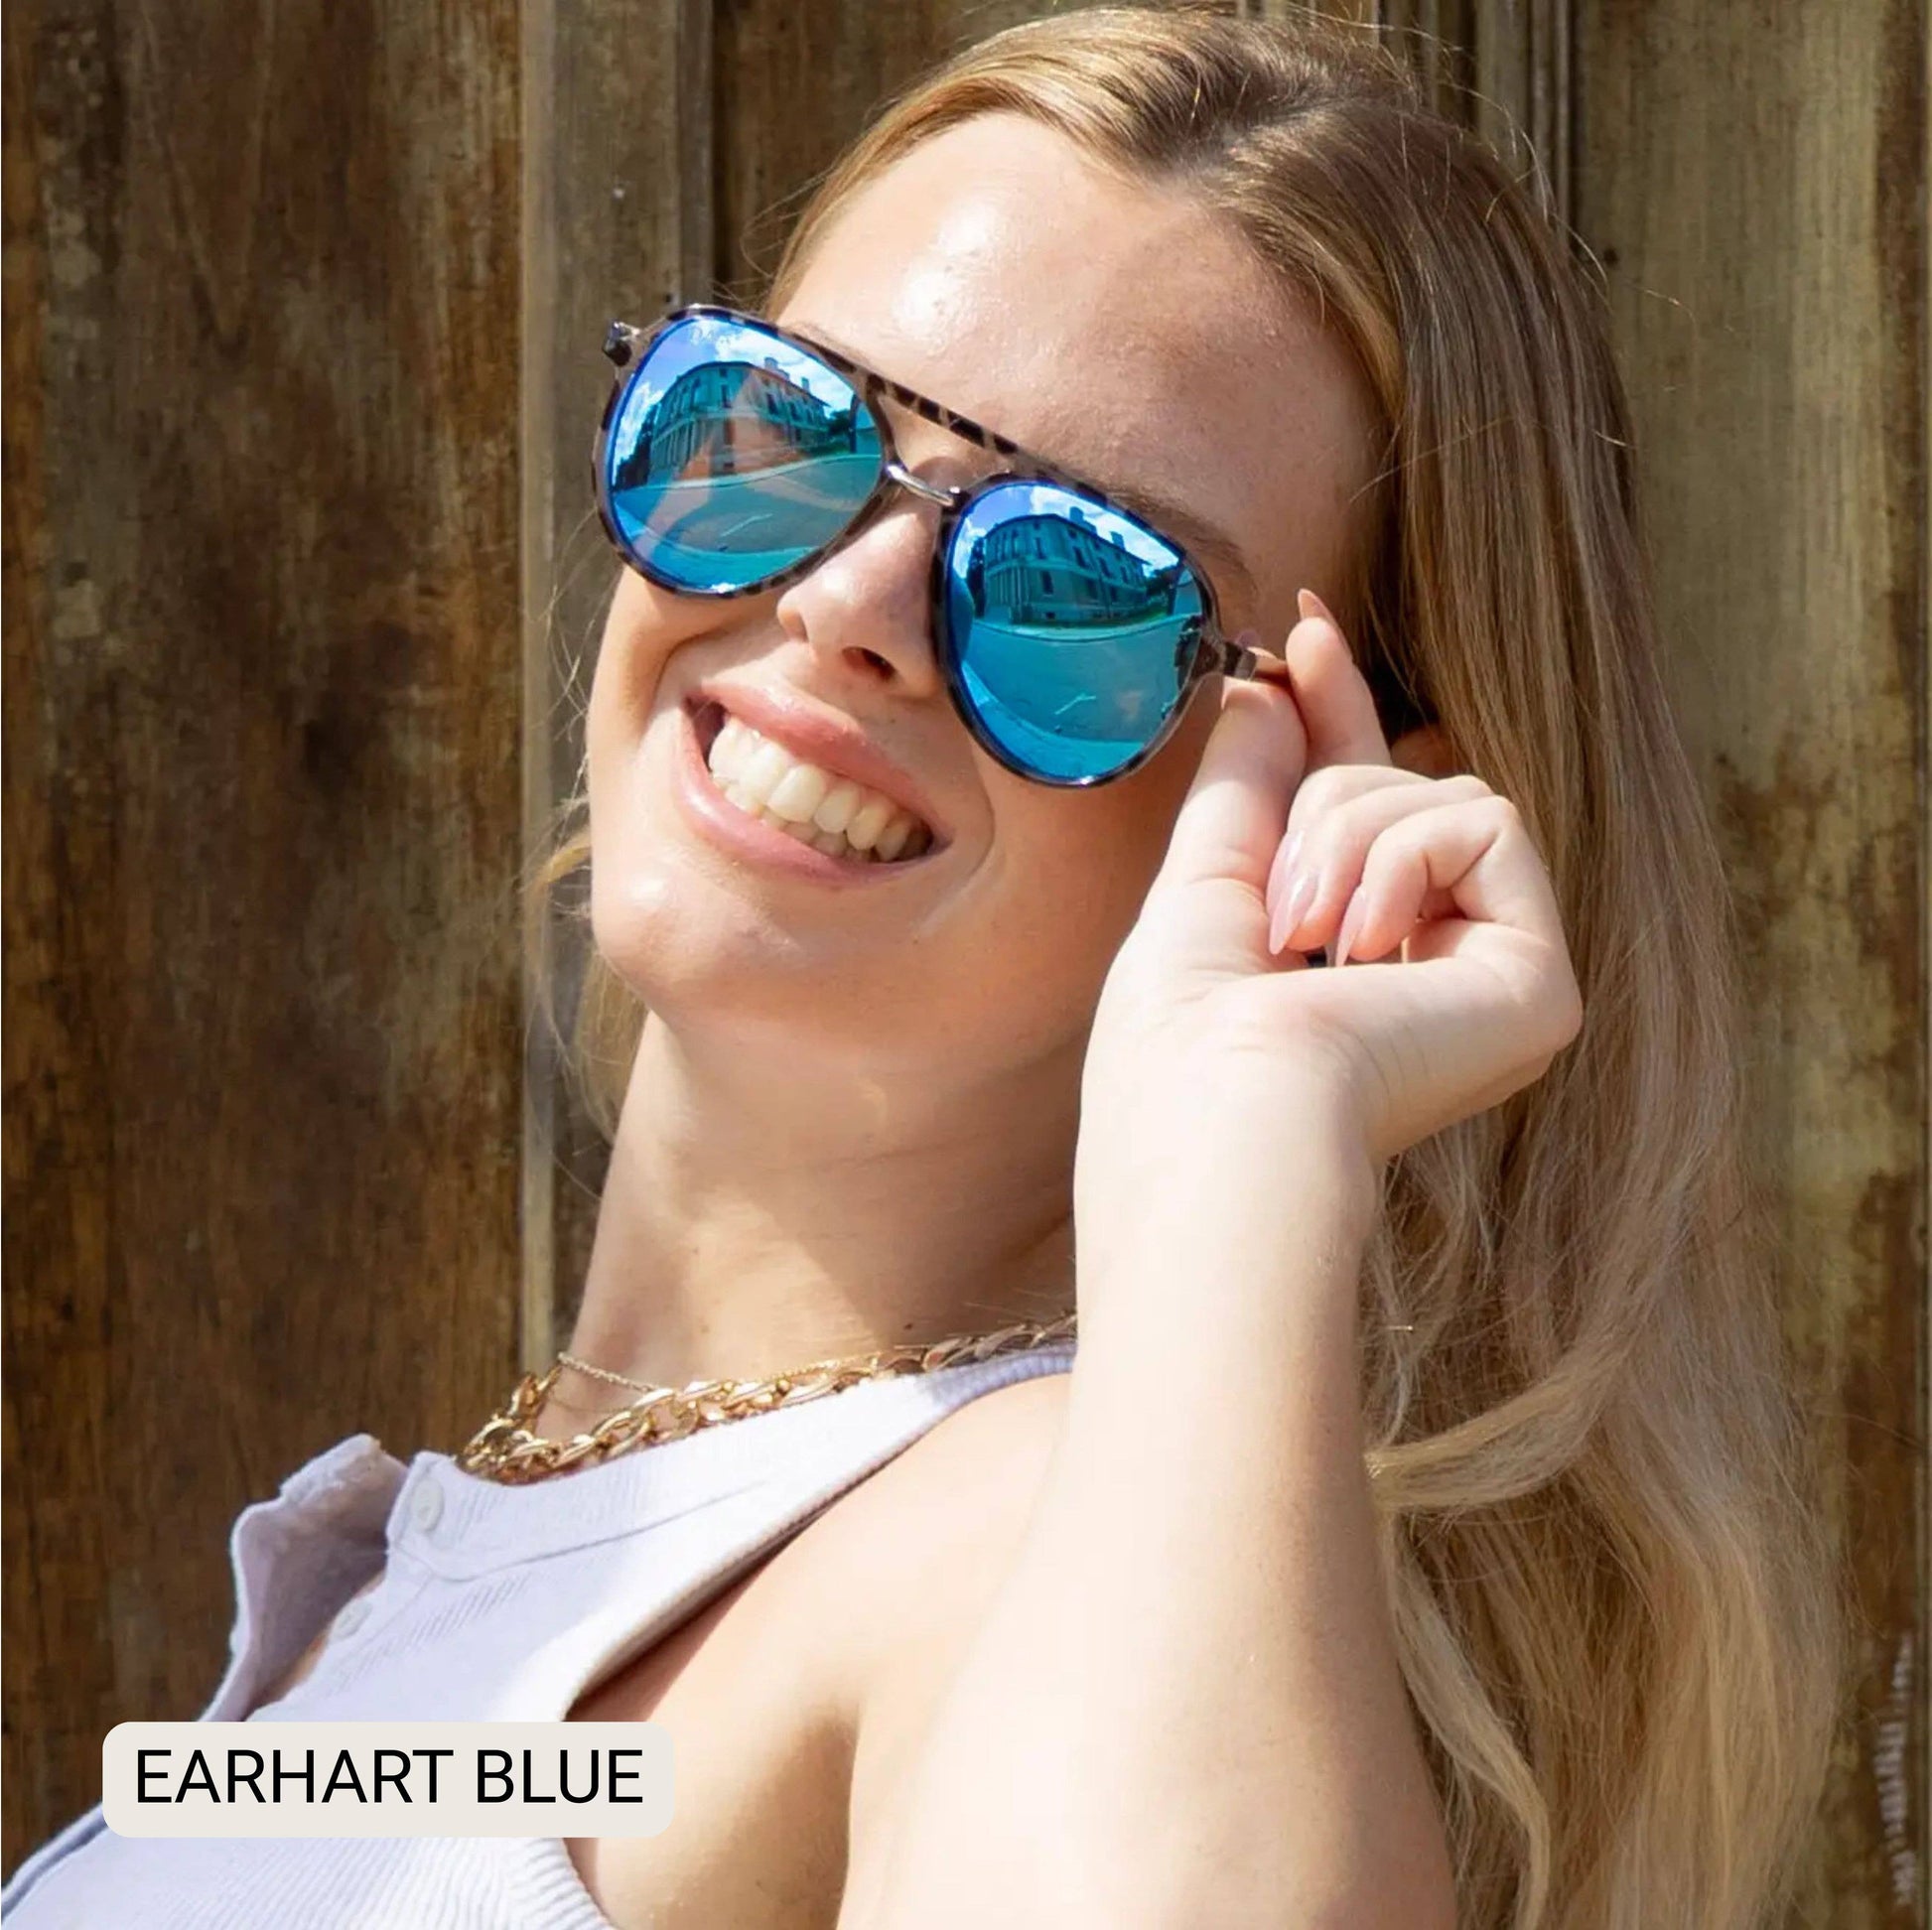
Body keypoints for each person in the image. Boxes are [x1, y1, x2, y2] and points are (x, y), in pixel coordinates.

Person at [4, 9, 1840, 1926]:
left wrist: (1238, 1142)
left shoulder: (1022, 1554)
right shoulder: (507, 1583)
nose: (841, 600)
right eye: (790, 423)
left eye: (1079, 582)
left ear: (1335, 778)